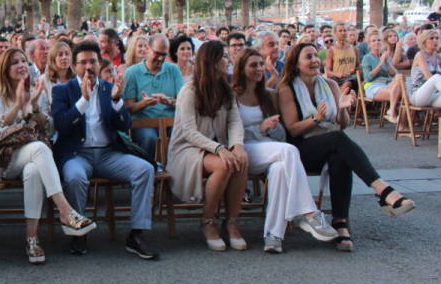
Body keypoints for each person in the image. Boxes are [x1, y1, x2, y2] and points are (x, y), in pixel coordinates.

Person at [277, 43, 415, 252]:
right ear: (296, 64)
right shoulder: (287, 88)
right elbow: (294, 130)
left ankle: (340, 222)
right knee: (338, 140)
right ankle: (382, 190)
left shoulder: (330, 84)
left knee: (339, 156)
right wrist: (317, 118)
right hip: (301, 149)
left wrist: (341, 109)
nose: (315, 60)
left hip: (330, 142)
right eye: (308, 56)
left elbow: (341, 123)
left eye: (316, 55)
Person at [0, 48, 96, 264]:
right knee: (40, 149)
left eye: (24, 61)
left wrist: (34, 105)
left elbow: (51, 128)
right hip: (6, 158)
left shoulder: (39, 90)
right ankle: (66, 211)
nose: (21, 65)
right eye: (14, 62)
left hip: (34, 157)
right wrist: (18, 104)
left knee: (35, 169)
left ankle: (32, 239)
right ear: (4, 69)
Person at [53, 41, 158, 259]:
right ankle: (78, 232)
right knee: (74, 177)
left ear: (100, 63)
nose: (88, 67)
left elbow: (125, 125)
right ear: (74, 66)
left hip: (108, 153)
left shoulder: (109, 88)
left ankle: (137, 234)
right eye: (83, 62)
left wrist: (117, 101)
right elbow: (61, 126)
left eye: (93, 61)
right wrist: (83, 100)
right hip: (77, 154)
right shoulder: (62, 90)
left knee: (145, 169)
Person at [231, 48, 337, 253]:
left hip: (270, 149)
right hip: (243, 150)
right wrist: (258, 128)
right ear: (241, 69)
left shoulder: (268, 96)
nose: (259, 69)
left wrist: (273, 127)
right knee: (288, 152)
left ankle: (273, 236)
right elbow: (229, 134)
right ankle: (307, 212)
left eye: (261, 64)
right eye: (253, 65)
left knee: (280, 169)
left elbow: (281, 137)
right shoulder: (233, 97)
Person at [166, 41, 249, 252]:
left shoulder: (225, 90)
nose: (227, 60)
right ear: (211, 62)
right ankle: (208, 221)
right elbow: (189, 132)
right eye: (223, 56)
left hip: (214, 147)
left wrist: (237, 145)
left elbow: (234, 120)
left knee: (240, 160)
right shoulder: (190, 91)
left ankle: (231, 222)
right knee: (224, 164)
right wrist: (220, 149)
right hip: (187, 149)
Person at [123, 34, 182, 159]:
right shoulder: (132, 72)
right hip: (144, 122)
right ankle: (151, 170)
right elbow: (128, 107)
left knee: (180, 135)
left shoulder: (173, 70)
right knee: (149, 138)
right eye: (157, 53)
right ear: (148, 49)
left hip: (170, 122)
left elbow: (183, 102)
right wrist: (144, 103)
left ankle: (175, 172)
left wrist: (169, 101)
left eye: (164, 54)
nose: (160, 58)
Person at [360, 31, 401, 123]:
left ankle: (392, 111)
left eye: (379, 40)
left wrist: (386, 62)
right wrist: (381, 63)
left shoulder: (385, 55)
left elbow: (394, 74)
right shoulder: (367, 58)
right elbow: (368, 78)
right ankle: (397, 116)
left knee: (399, 77)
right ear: (369, 44)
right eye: (373, 41)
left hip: (388, 84)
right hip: (373, 85)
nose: (377, 42)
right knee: (402, 94)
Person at [325, 23, 359, 93]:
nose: (343, 33)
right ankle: (339, 100)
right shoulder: (331, 50)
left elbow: (358, 67)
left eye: (344, 30)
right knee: (346, 83)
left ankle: (339, 100)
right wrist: (338, 74)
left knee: (349, 82)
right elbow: (328, 72)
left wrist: (354, 69)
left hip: (351, 78)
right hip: (337, 78)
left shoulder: (354, 49)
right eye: (340, 31)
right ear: (335, 33)